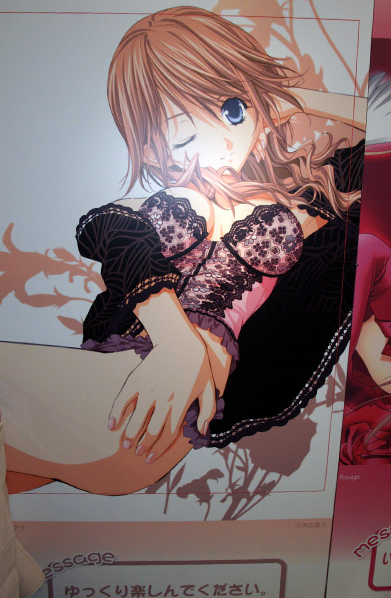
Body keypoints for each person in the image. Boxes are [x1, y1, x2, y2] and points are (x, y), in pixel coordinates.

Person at [75, 6, 365, 477]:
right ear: (150, 146)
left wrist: (279, 93)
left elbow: (376, 135)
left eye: (231, 110)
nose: (221, 139)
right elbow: (113, 232)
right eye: (185, 133)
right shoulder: (177, 202)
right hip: (133, 370)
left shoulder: (314, 200)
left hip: (190, 406)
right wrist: (175, 341)